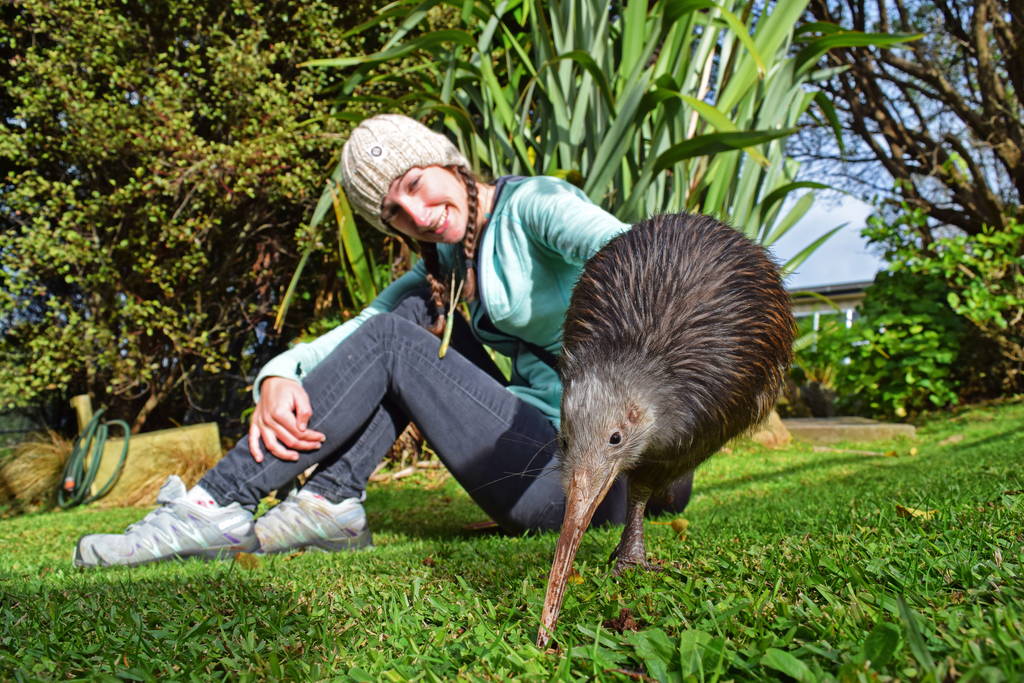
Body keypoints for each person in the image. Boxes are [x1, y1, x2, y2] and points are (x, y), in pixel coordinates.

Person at [73, 114, 692, 567]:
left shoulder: (534, 206)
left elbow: (641, 255)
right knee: (403, 328)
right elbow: (358, 336)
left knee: (398, 340)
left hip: (593, 472)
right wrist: (277, 375)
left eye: (417, 183)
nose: (418, 213)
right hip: (546, 459)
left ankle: (218, 506)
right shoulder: (442, 272)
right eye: (394, 210)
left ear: (449, 162)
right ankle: (331, 502)